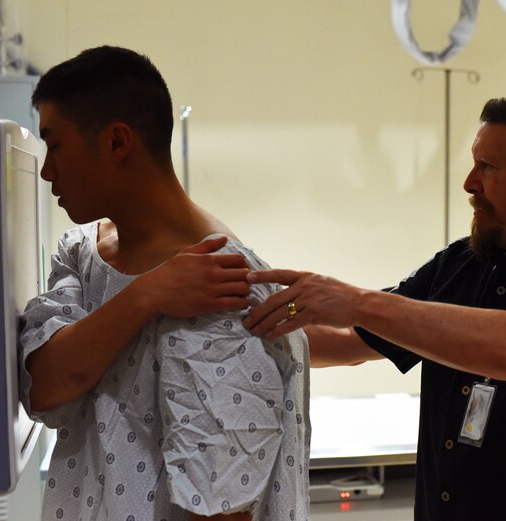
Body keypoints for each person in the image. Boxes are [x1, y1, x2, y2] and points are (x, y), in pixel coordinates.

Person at [242, 96, 506, 520]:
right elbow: (352, 339)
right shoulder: (464, 262)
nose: (469, 182)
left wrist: (358, 303)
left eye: (488, 167)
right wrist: (230, 332)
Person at [19, 46, 310, 521]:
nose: (47, 171)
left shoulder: (216, 284)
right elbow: (46, 386)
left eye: (55, 144)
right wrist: (146, 295)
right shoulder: (80, 251)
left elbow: (220, 506)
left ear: (117, 143)